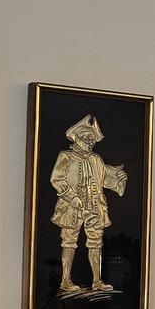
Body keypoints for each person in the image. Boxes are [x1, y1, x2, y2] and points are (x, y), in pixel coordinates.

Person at [51, 115, 126, 299]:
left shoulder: (96, 159)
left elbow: (105, 181)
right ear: (76, 138)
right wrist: (74, 199)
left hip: (95, 206)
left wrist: (119, 180)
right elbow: (57, 180)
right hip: (71, 208)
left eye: (93, 140)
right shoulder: (66, 157)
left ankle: (97, 281)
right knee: (69, 241)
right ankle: (65, 281)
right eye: (87, 139)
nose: (91, 142)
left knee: (96, 242)